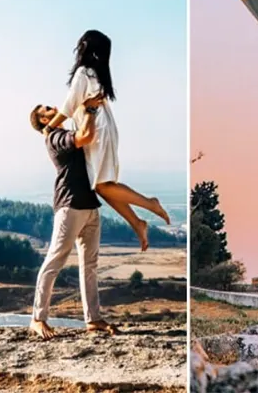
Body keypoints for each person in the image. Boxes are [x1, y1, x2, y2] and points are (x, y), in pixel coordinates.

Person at [41, 29, 170, 251]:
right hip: (105, 128)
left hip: (98, 130)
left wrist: (50, 127)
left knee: (103, 185)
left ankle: (149, 204)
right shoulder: (97, 73)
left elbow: (69, 105)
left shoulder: (84, 73)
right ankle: (137, 222)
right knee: (104, 185)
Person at [28, 93, 117, 340]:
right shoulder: (55, 136)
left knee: (90, 265)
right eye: (45, 108)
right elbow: (86, 137)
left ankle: (93, 319)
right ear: (44, 121)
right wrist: (88, 110)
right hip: (70, 206)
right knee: (55, 261)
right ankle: (37, 318)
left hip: (89, 205)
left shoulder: (63, 133)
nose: (51, 105)